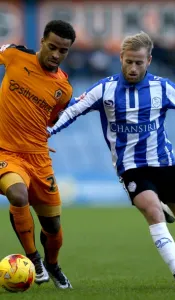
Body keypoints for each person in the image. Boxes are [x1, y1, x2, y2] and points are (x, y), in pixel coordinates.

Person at [48, 31, 175, 289]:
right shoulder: (104, 89)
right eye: (128, 61)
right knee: (151, 210)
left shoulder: (163, 88)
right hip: (130, 167)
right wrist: (46, 133)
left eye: (139, 63)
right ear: (121, 58)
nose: (133, 68)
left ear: (149, 61)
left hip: (164, 164)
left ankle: (163, 203)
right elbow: (72, 111)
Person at [0, 20, 76, 289]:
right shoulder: (13, 55)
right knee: (17, 194)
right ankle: (34, 260)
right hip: (7, 152)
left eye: (63, 51)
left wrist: (39, 136)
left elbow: (49, 120)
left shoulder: (64, 89)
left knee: (53, 226)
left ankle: (52, 264)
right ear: (42, 41)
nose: (56, 54)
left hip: (39, 157)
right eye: (52, 47)